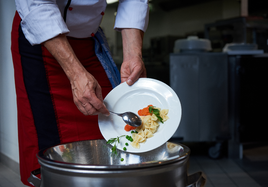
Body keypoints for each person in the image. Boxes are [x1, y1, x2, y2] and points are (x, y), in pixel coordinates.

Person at [11, 0, 149, 186]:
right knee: (48, 143)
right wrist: (75, 73)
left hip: (88, 43)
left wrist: (133, 55)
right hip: (42, 42)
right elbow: (37, 5)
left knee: (110, 129)